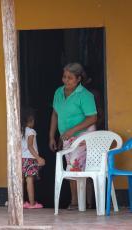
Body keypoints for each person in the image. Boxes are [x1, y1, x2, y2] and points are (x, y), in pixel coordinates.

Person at [49, 63, 97, 210]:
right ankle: (76, 201)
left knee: (75, 167)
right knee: (71, 167)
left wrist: (72, 131)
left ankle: (81, 203)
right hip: (67, 136)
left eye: (70, 78)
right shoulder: (58, 92)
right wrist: (52, 135)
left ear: (78, 79)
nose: (65, 80)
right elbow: (55, 113)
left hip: (83, 135)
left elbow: (92, 118)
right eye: (64, 77)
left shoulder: (85, 95)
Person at [21, 108, 45, 209]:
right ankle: (31, 204)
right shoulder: (31, 131)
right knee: (29, 180)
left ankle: (20, 202)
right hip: (30, 159)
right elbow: (30, 146)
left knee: (21, 180)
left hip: (21, 158)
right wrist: (38, 158)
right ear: (30, 120)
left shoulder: (20, 131)